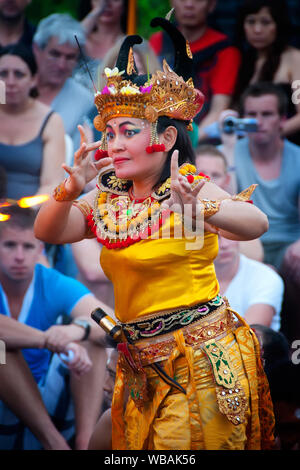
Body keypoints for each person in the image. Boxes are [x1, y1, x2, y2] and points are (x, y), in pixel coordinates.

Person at [34, 17, 275, 450]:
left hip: (199, 361)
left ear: (165, 138)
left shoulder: (188, 184)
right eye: (109, 134)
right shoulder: (106, 198)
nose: (114, 144)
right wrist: (69, 190)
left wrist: (197, 207)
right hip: (136, 363)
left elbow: (257, 224)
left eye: (129, 132)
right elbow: (49, 230)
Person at [0, 204, 113, 450]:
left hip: (47, 398)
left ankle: (85, 443)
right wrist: (47, 339)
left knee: (90, 339)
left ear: (40, 249)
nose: (19, 256)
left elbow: (110, 323)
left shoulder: (50, 281)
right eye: (10, 245)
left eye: (28, 246)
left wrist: (76, 331)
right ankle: (54, 443)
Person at [149, 0, 241, 138]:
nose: (189, 4)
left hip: (203, 138)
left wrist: (189, 142)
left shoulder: (225, 50)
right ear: (172, 2)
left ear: (211, 5)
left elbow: (218, 109)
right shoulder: (158, 42)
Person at [0, 44, 65, 200]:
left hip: (32, 215)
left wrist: (23, 212)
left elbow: (52, 184)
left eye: (19, 74)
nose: (10, 81)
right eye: (3, 73)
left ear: (34, 79)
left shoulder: (51, 120)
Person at [233, 0, 300, 145]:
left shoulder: (294, 59)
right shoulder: (243, 61)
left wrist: (268, 134)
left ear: (278, 25)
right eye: (251, 22)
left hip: (288, 149)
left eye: (265, 22)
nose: (257, 29)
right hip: (248, 150)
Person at [32, 13, 95, 153]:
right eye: (55, 54)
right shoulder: (10, 84)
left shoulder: (85, 100)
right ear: (37, 49)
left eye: (70, 57)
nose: (61, 65)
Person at [195, 144, 264, 262]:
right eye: (201, 175)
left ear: (226, 180)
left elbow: (256, 255)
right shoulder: (177, 206)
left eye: (216, 175)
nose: (209, 181)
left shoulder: (236, 210)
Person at [214, 235, 284, 331]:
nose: (224, 245)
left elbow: (250, 333)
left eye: (229, 235)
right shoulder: (188, 278)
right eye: (214, 237)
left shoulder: (266, 277)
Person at [74, 0, 128, 91]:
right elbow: (67, 42)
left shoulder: (130, 45)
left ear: (125, 4)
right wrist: (97, 10)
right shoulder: (80, 43)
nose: (106, 4)